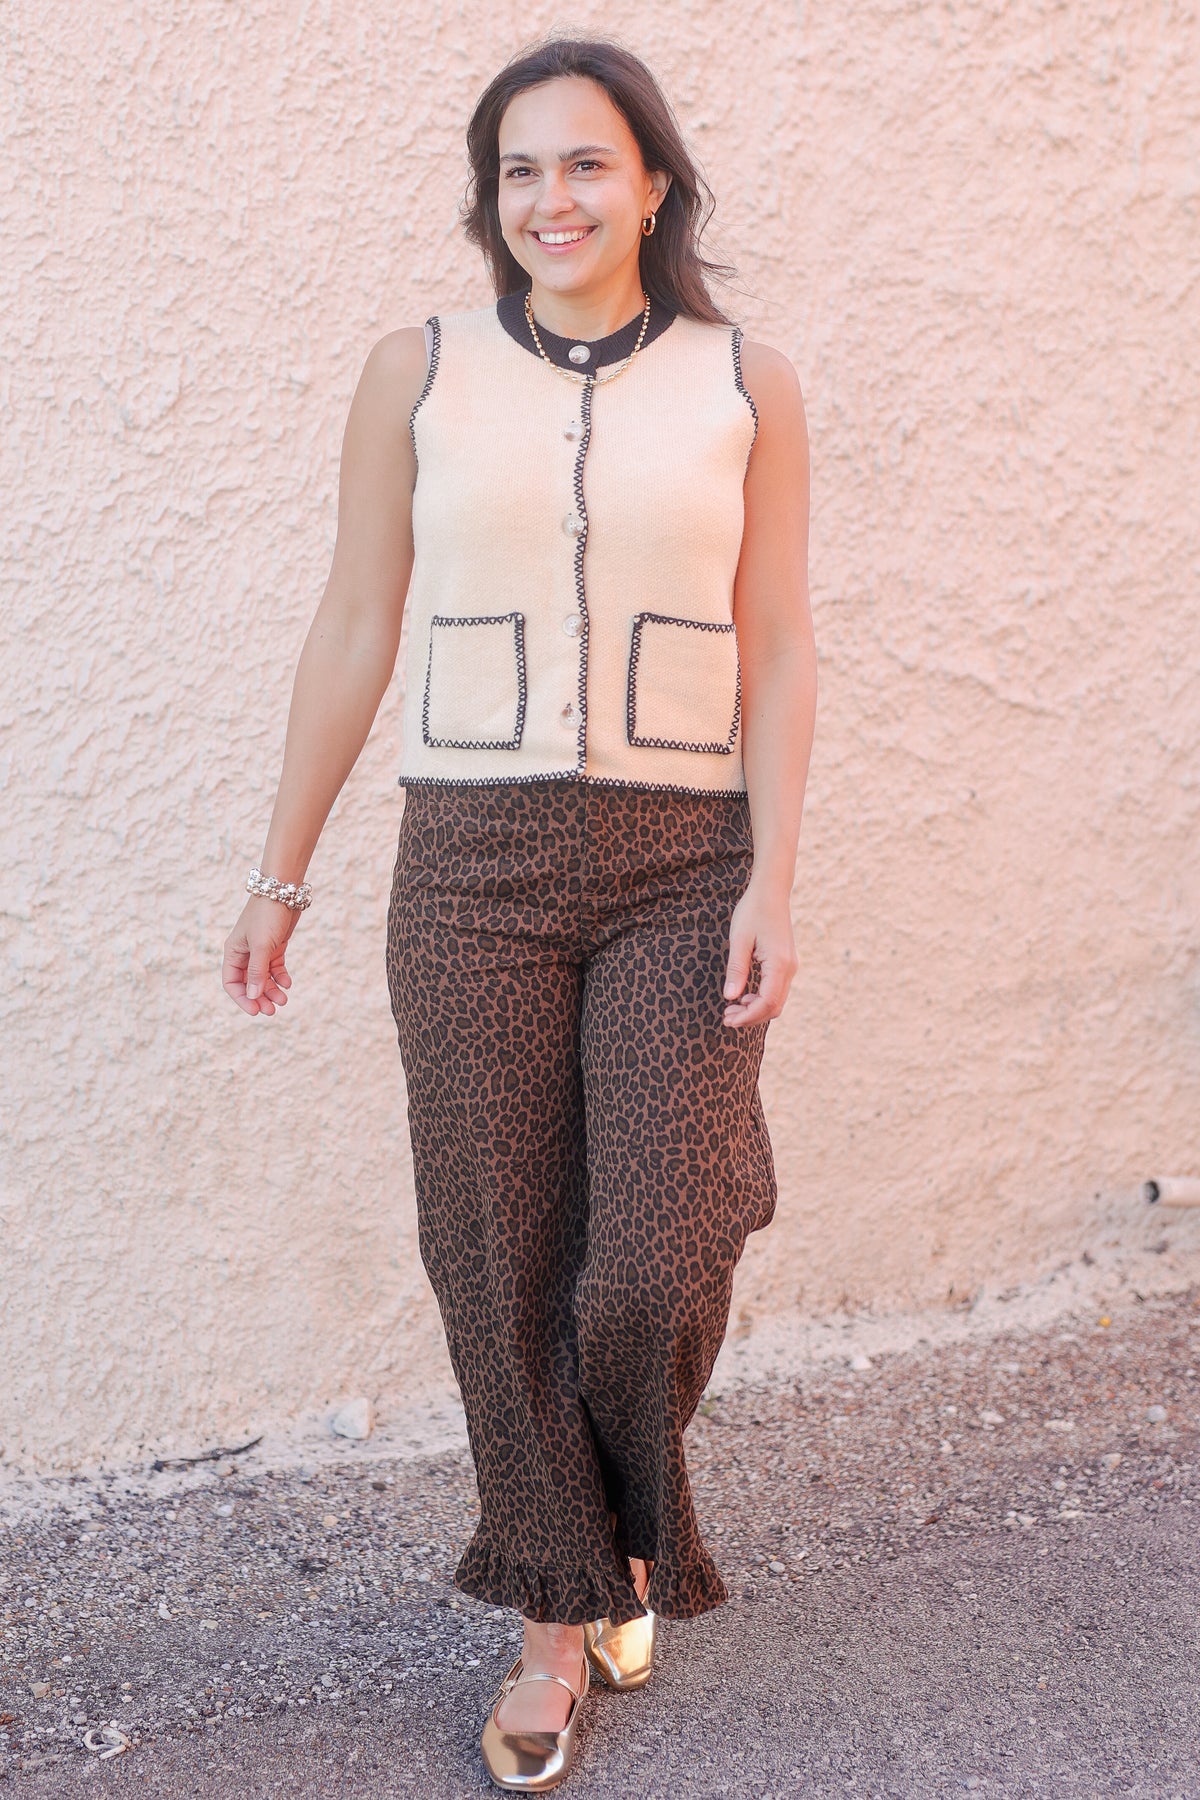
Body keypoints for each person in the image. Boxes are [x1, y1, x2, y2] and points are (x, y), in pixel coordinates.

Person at [222, 33, 815, 1794]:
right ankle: (557, 1620)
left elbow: (779, 646)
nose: (551, 200)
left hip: (683, 857)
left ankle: (620, 1525)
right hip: (469, 863)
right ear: (495, 202)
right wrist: (282, 872)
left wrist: (777, 874)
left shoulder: (745, 382)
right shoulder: (414, 373)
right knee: (499, 1253)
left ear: (652, 185)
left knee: (649, 1258)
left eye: (585, 165)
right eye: (518, 173)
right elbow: (352, 629)